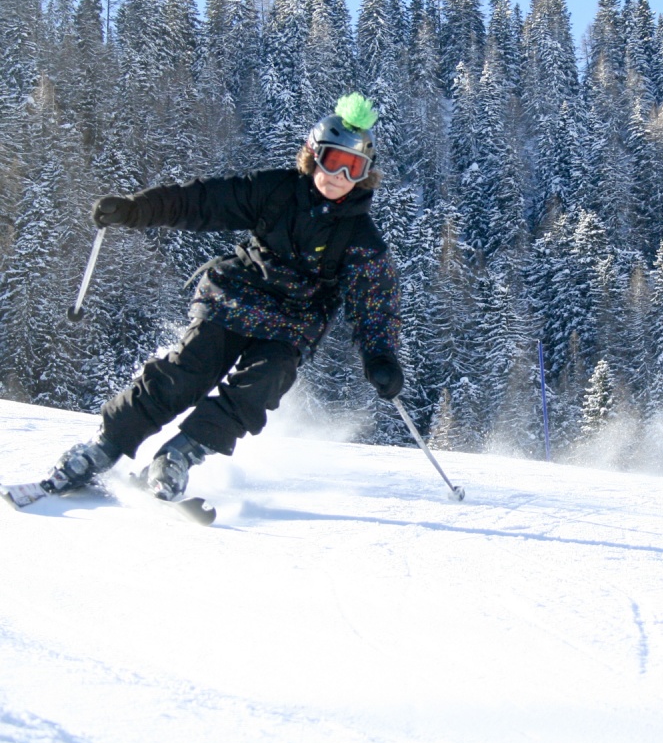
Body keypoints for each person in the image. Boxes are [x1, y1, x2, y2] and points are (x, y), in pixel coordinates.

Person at [44, 92, 403, 501]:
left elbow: (376, 304)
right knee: (187, 372)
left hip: (293, 323)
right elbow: (202, 201)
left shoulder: (361, 238)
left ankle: (177, 456)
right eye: (332, 160)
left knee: (263, 383)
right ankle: (102, 447)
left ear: (364, 175)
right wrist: (136, 209)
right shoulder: (275, 191)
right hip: (237, 298)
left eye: (353, 167)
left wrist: (381, 358)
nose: (339, 175)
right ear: (312, 156)